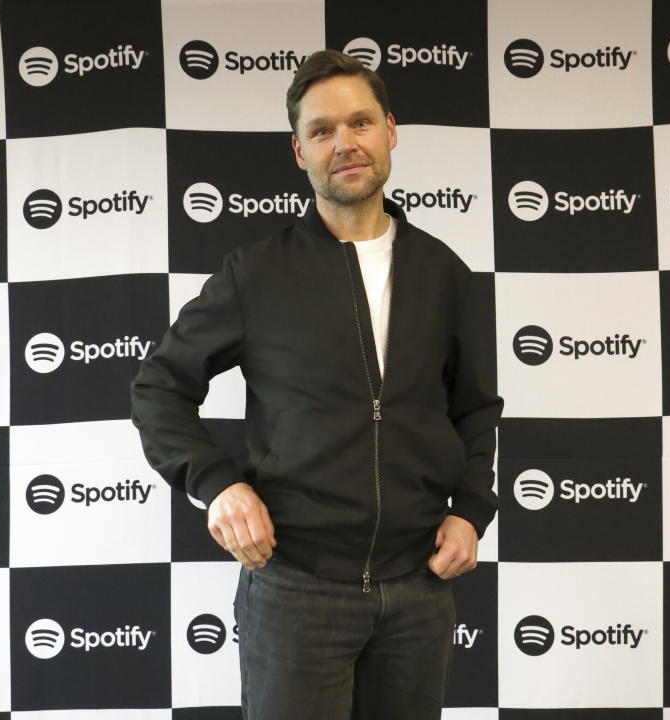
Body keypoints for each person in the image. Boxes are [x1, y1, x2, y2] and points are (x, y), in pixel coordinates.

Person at [130, 49, 503, 720]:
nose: (345, 143)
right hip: (296, 592)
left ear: (390, 130)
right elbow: (159, 386)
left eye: (359, 123)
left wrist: (472, 508)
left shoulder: (446, 274)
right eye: (322, 131)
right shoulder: (257, 274)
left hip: (419, 591)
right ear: (299, 152)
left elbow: (475, 409)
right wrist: (216, 482)